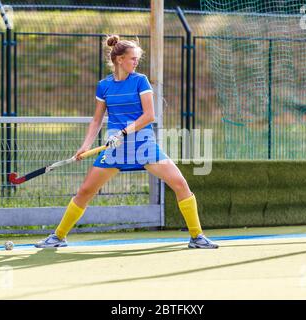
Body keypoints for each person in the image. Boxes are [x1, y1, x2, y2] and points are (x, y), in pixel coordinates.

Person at [35, 35, 218, 249]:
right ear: (119, 59)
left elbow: (149, 116)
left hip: (143, 144)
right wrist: (85, 146)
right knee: (85, 191)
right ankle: (58, 237)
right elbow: (96, 120)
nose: (135, 63)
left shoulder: (140, 80)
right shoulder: (104, 86)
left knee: (179, 184)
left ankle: (197, 237)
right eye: (132, 59)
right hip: (116, 149)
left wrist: (123, 132)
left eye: (137, 59)